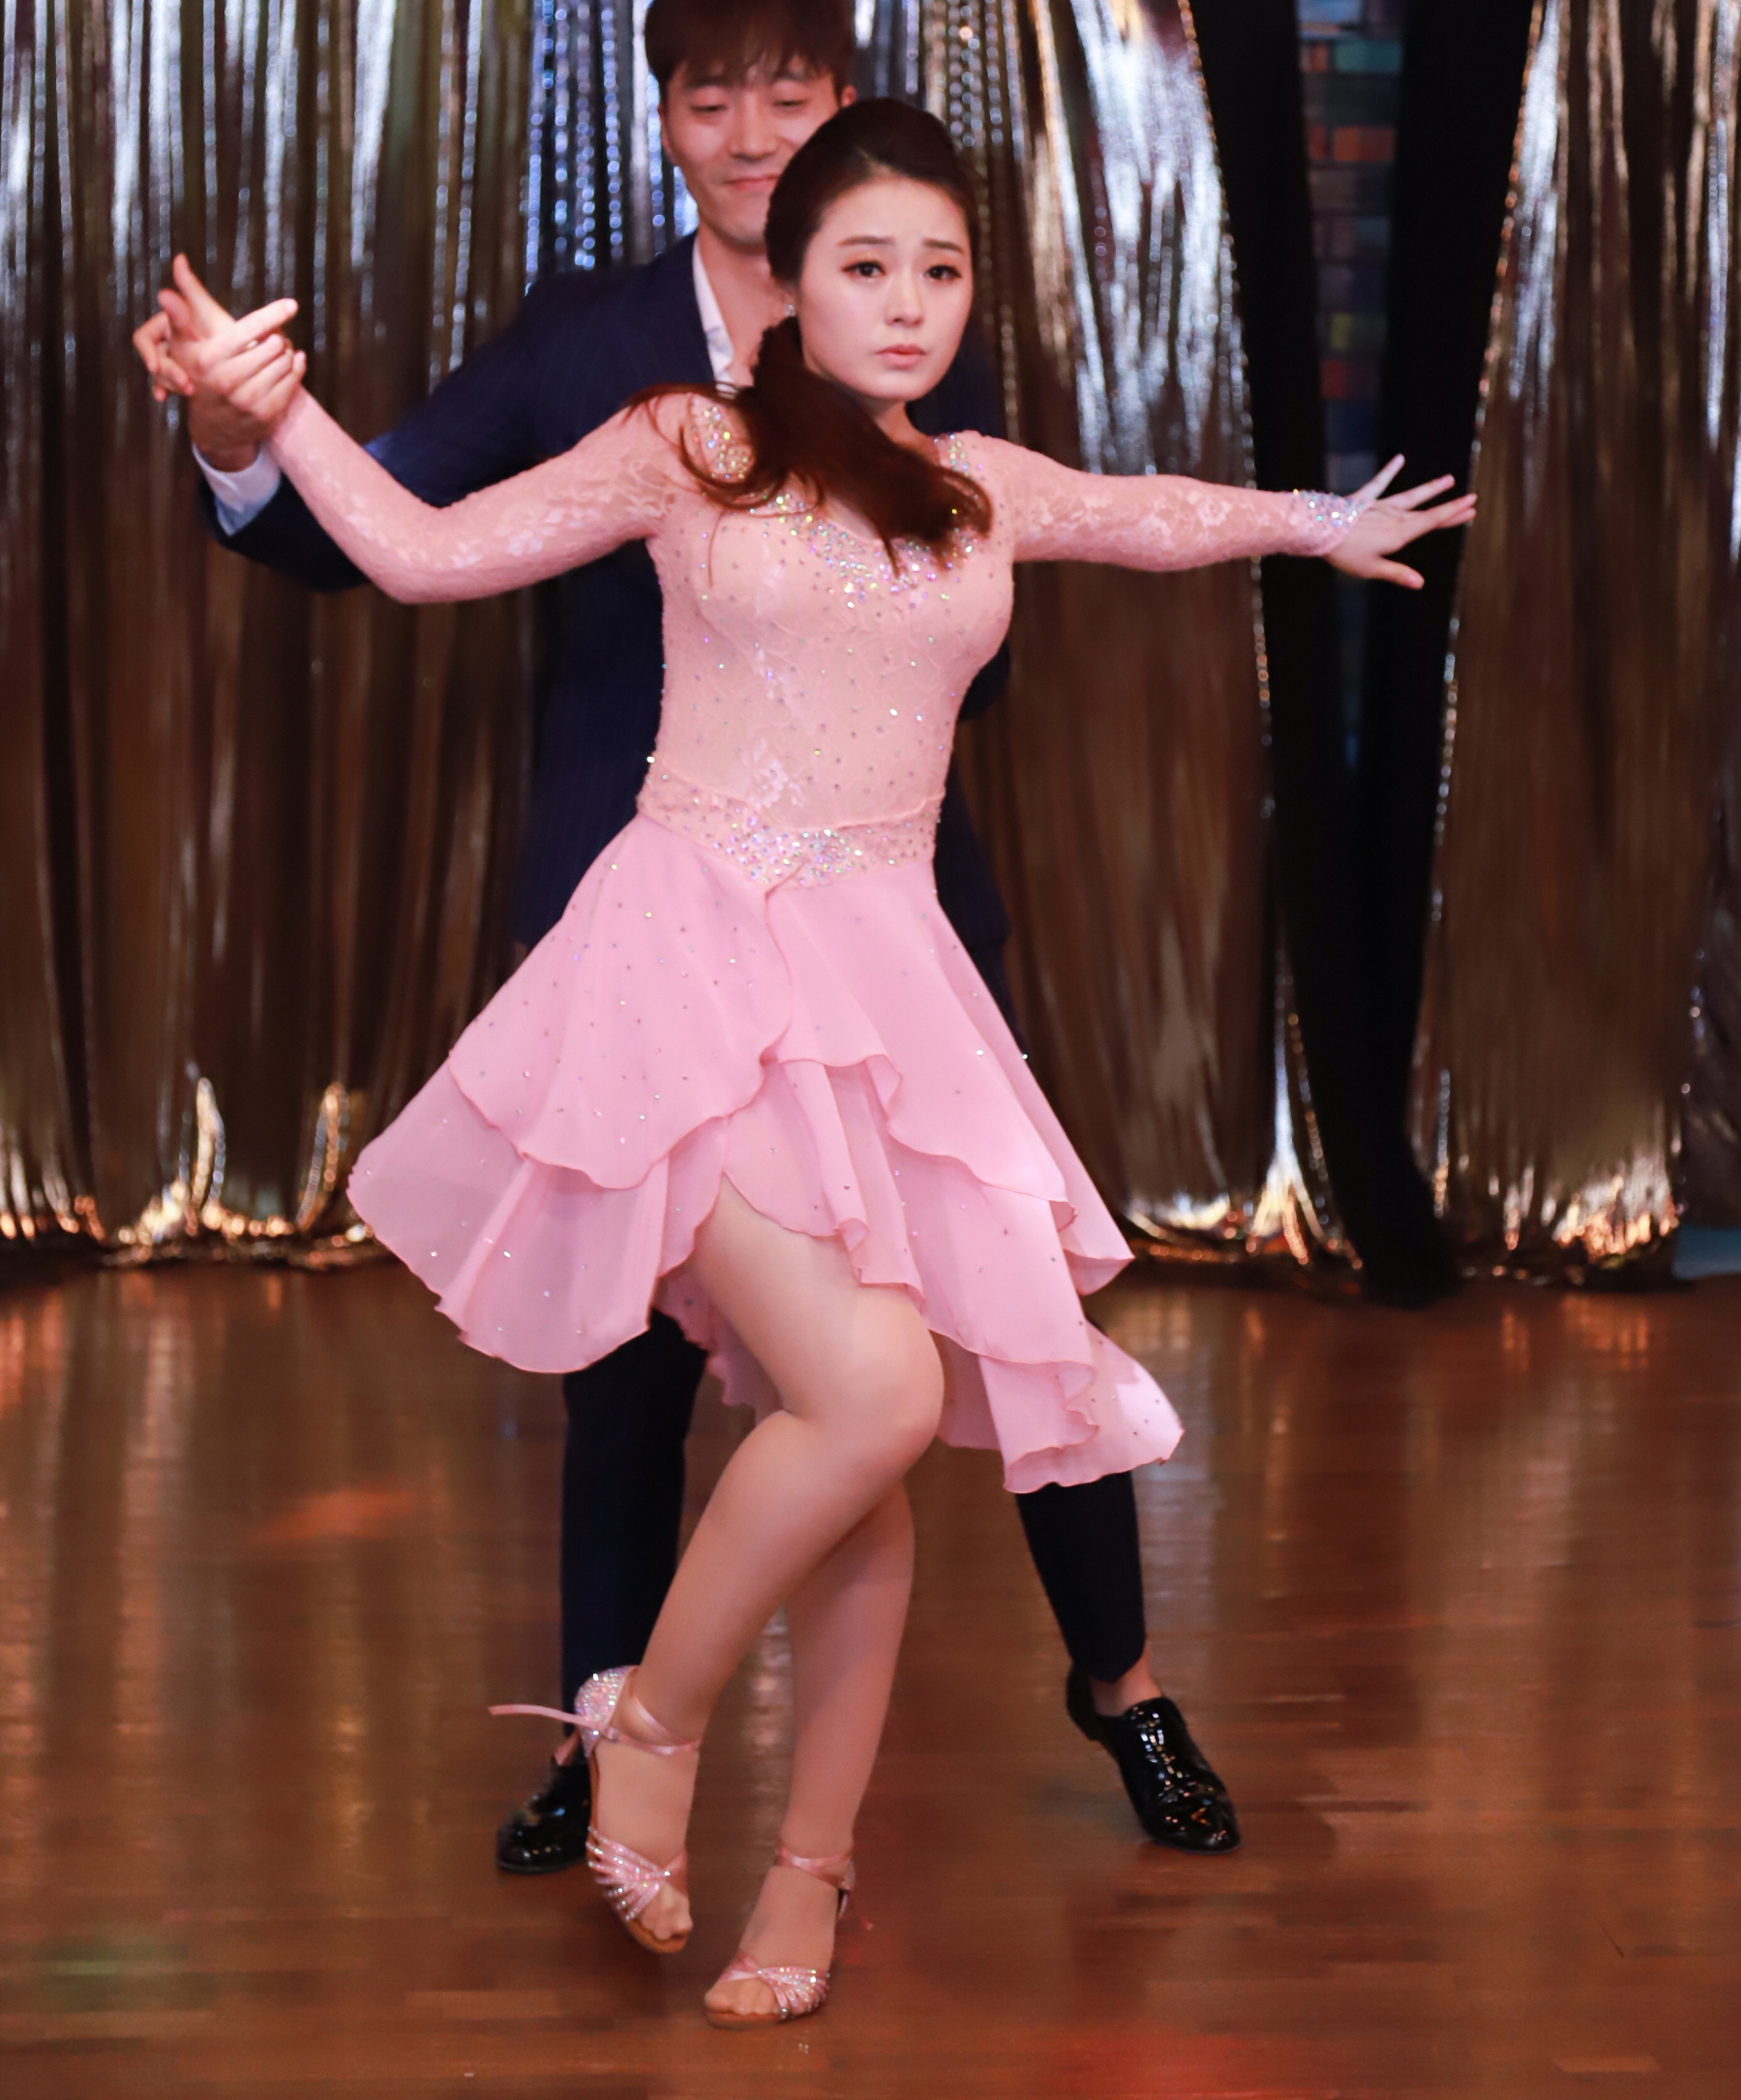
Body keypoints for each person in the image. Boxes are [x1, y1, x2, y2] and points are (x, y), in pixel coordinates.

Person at [162, 100, 1472, 2025]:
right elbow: (428, 554)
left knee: (865, 1466)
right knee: (873, 1392)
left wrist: (1314, 521)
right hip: (690, 967)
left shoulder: (976, 481)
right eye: (869, 264)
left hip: (888, 996)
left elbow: (1145, 510)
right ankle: (648, 1722)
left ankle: (808, 1877)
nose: (910, 301)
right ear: (791, 281)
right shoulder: (689, 442)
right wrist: (266, 418)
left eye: (942, 269)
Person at [134, 0, 1241, 1868]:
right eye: (709, 95)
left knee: (1003, 1304)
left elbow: (996, 591)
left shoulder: (914, 323)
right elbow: (382, 524)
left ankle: (1123, 1684)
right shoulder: (590, 340)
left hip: (886, 930)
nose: (750, 129)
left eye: (788, 92)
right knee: (627, 1369)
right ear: (664, 121)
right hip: (640, 922)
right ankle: (602, 1725)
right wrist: (245, 433)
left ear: (842, 118)